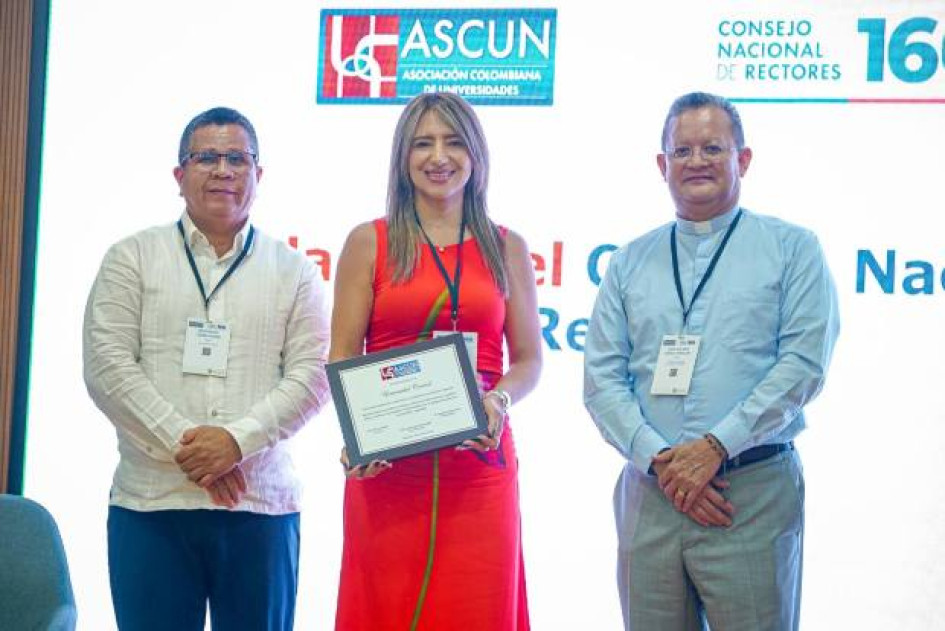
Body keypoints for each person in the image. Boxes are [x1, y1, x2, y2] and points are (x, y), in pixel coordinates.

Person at [583, 92, 839, 630]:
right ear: (662, 165)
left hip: (749, 493)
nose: (695, 161)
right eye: (681, 151)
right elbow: (602, 380)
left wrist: (716, 447)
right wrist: (664, 463)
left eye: (712, 148)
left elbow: (802, 364)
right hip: (651, 494)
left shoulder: (793, 249)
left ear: (743, 159)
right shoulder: (630, 261)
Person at [83, 106, 329, 631]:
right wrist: (194, 448)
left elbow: (313, 377)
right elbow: (108, 368)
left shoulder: (296, 272)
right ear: (179, 175)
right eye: (207, 157)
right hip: (151, 504)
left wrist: (235, 443)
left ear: (259, 175)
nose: (223, 170)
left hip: (259, 506)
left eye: (238, 158)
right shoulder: (131, 258)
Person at [330, 92, 542, 630]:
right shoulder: (368, 242)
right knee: (387, 607)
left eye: (453, 142)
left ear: (476, 155)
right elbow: (342, 356)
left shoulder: (507, 246)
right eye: (423, 143)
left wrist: (498, 399)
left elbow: (528, 360)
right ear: (404, 158)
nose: (438, 157)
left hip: (479, 467)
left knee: (475, 610)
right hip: (387, 469)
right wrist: (358, 439)